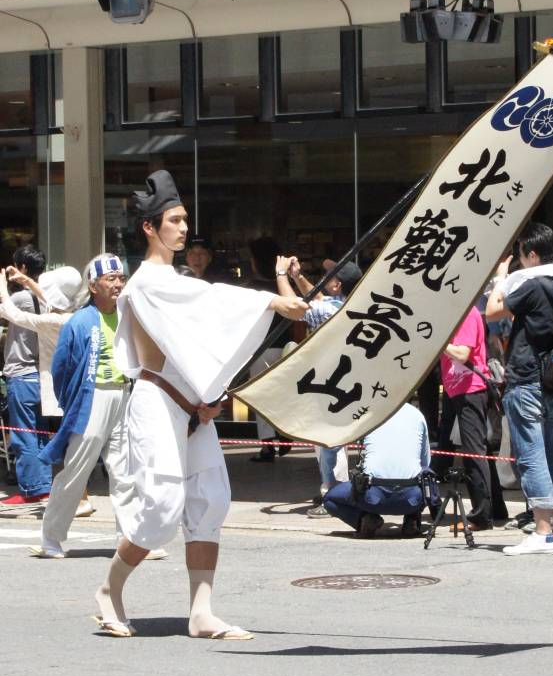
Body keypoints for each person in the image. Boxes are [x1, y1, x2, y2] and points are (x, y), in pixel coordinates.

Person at [94, 170, 307, 639]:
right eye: (174, 220)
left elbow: (200, 330)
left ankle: (201, 611)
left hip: (193, 405)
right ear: (150, 227)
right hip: (156, 401)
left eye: (185, 219)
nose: (183, 227)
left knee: (210, 499)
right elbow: (207, 301)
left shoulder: (175, 280)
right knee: (162, 506)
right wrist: (270, 302)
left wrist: (209, 396)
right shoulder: (147, 283)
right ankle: (110, 589)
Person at [26, 255, 138, 559]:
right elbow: (61, 368)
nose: (117, 283)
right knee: (75, 470)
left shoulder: (128, 314)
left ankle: (128, 540)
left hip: (123, 394)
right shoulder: (80, 320)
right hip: (93, 398)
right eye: (110, 278)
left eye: (120, 277)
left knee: (125, 471)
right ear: (93, 285)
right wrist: (72, 401)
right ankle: (51, 538)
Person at [486, 223, 553, 555]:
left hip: (526, 380)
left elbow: (493, 310)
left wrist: (501, 277)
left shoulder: (533, 285)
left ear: (532, 254)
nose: (519, 262)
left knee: (532, 455)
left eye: (521, 256)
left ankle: (541, 531)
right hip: (552, 380)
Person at [0, 264, 93, 518]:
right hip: (75, 387)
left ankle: (78, 499)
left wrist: (2, 287)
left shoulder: (53, 320)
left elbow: (12, 314)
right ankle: (77, 498)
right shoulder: (77, 313)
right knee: (72, 446)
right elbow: (50, 297)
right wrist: (28, 281)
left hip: (60, 389)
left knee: (66, 448)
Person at [277, 255, 363, 516]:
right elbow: (314, 298)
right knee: (329, 441)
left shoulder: (331, 311)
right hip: (339, 381)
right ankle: (336, 490)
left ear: (337, 285)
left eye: (330, 276)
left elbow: (294, 307)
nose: (324, 279)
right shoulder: (343, 303)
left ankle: (333, 492)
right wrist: (297, 276)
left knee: (329, 442)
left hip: (329, 383)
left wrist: (281, 275)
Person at [437, 305, 507, 531]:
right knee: (480, 450)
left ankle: (481, 516)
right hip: (460, 388)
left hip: (471, 388)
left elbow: (462, 353)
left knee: (473, 452)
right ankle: (495, 509)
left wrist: (438, 341)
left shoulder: (466, 313)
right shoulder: (457, 313)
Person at [323, 402, 431, 538]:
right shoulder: (417, 414)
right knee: (426, 481)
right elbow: (426, 462)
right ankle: (412, 520)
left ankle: (365, 520)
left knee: (329, 499)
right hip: (411, 499)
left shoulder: (366, 412)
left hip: (372, 497)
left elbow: (330, 448)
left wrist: (329, 482)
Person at [0, 244, 52, 507]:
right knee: (39, 431)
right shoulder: (46, 298)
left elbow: (3, 310)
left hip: (21, 372)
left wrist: (2, 285)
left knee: (23, 433)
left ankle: (32, 488)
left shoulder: (19, 299)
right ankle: (43, 484)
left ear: (21, 269)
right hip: (41, 374)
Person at [246, 237, 295, 463]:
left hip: (261, 348)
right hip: (284, 346)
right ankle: (286, 434)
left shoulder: (252, 289)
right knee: (283, 393)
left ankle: (267, 446)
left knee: (260, 396)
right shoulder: (283, 285)